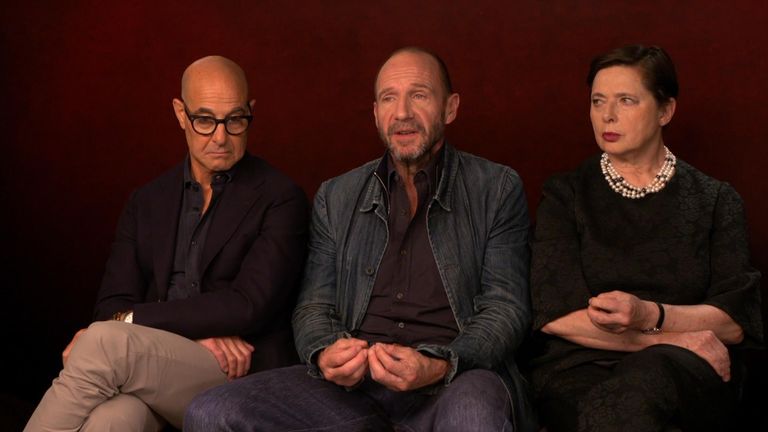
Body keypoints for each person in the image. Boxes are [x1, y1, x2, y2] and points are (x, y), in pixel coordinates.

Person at [184, 47, 536, 431]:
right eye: (389, 98)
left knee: (473, 415)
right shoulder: (336, 196)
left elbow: (506, 309)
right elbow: (313, 307)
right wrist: (325, 352)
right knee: (210, 412)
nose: (401, 112)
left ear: (450, 108)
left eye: (418, 95)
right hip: (355, 390)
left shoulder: (496, 188)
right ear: (375, 114)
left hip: (454, 380)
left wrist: (439, 363)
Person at [24, 55, 309, 431]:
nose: (220, 137)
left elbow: (247, 304)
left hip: (240, 372)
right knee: (115, 418)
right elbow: (110, 305)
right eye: (205, 120)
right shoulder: (147, 201)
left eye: (235, 119)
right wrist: (191, 333)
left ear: (250, 112)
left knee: (105, 343)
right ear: (180, 114)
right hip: (163, 370)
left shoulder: (281, 197)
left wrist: (134, 322)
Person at [528, 44, 763, 432]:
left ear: (665, 110)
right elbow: (554, 317)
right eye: (598, 100)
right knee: (621, 408)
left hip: (687, 370)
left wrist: (650, 315)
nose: (607, 115)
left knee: (638, 391)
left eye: (626, 100)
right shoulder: (565, 195)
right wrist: (662, 339)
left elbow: (735, 322)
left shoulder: (716, 200)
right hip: (583, 364)